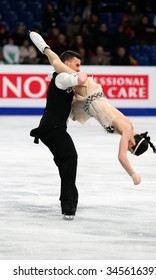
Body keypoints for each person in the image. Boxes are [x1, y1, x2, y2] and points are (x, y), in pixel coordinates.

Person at [29, 31, 156, 190]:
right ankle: (45, 48)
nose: (126, 148)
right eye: (130, 149)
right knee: (58, 64)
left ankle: (57, 76)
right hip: (90, 95)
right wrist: (133, 174)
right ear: (132, 143)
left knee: (68, 105)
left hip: (89, 107)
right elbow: (121, 156)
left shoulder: (128, 126)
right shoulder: (126, 129)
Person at [29, 33, 88, 221]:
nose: (79, 68)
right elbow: (78, 80)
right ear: (68, 64)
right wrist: (82, 77)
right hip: (52, 128)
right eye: (77, 65)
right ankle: (67, 204)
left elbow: (69, 110)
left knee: (65, 161)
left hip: (53, 128)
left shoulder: (61, 76)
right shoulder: (62, 77)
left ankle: (72, 198)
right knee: (70, 157)